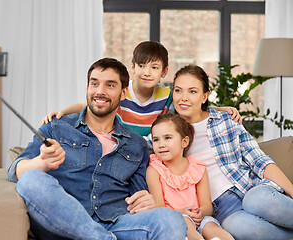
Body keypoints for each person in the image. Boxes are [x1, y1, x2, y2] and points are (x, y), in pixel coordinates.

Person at [8, 57, 187, 240]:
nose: (100, 92)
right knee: (31, 178)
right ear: (87, 88)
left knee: (172, 219)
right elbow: (15, 171)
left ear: (123, 93)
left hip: (117, 224)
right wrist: (42, 162)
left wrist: (145, 202)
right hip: (64, 223)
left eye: (110, 85)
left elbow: (137, 197)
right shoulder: (56, 127)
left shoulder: (136, 144)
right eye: (94, 84)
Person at [172, 64, 293, 240]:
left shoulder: (226, 120)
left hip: (251, 189)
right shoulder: (167, 133)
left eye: (192, 91)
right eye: (178, 90)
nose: (183, 98)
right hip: (223, 210)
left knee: (256, 200)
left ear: (205, 96)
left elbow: (259, 160)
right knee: (236, 227)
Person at [41, 41, 241, 141]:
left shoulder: (166, 95)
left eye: (154, 68)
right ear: (133, 68)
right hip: (124, 141)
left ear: (164, 72)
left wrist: (220, 109)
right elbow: (89, 104)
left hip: (151, 147)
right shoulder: (122, 92)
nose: (147, 72)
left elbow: (189, 104)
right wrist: (63, 111)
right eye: (142, 66)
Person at [146, 113, 234, 240]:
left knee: (211, 227)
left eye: (167, 138)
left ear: (184, 141)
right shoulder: (154, 170)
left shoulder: (197, 169)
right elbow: (159, 208)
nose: (161, 144)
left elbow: (207, 206)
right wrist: (182, 212)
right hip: (174, 218)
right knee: (186, 222)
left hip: (199, 219)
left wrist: (200, 213)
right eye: (156, 139)